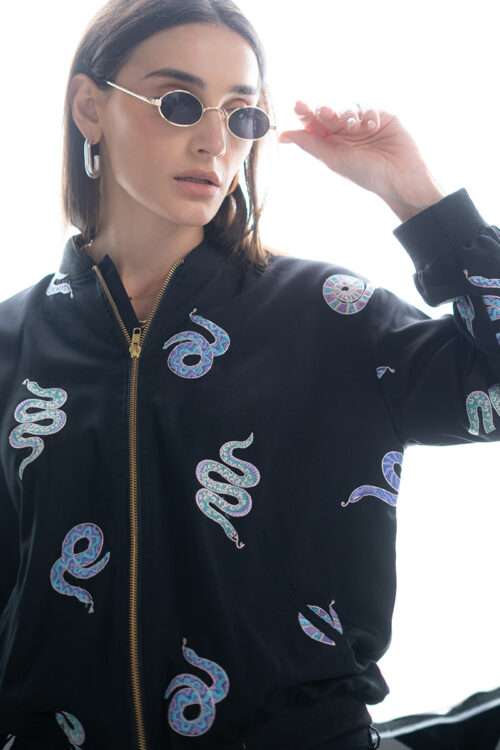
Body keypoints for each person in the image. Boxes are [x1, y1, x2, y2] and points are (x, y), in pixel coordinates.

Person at [0, 0, 499, 748]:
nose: (214, 140)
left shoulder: (330, 314)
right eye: (178, 102)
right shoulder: (11, 341)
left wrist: (417, 198)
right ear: (89, 108)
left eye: (241, 114)